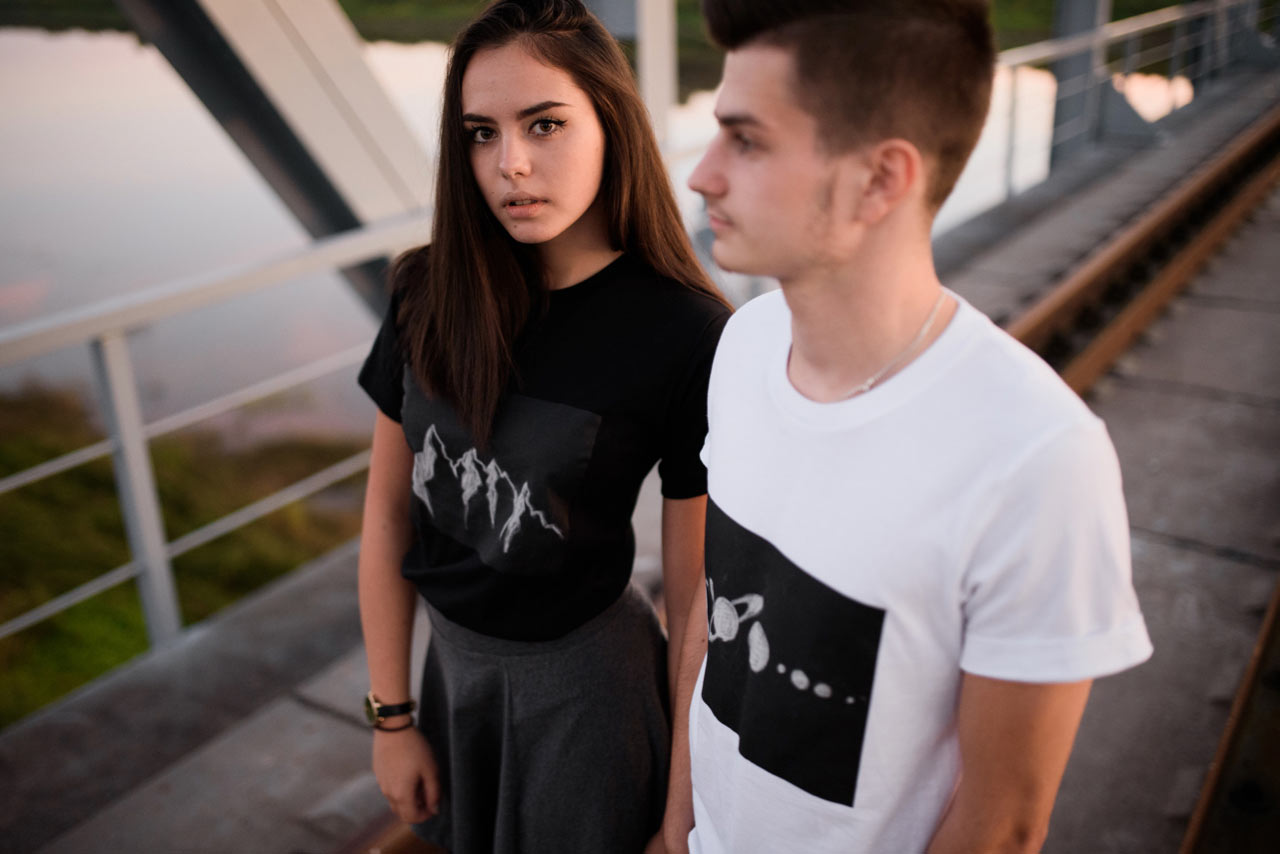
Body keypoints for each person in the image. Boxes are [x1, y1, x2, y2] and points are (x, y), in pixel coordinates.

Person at [664, 2, 1154, 852]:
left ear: (880, 180)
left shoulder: (1038, 458)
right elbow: (710, 635)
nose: (703, 174)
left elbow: (1002, 824)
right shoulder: (743, 346)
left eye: (746, 141)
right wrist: (676, 831)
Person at [356, 1, 730, 851]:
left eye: (545, 124)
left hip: (588, 698)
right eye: (481, 134)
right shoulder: (426, 292)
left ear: (611, 124)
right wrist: (391, 717)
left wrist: (680, 816)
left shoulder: (685, 332)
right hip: (450, 674)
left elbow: (693, 607)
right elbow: (385, 514)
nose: (511, 165)